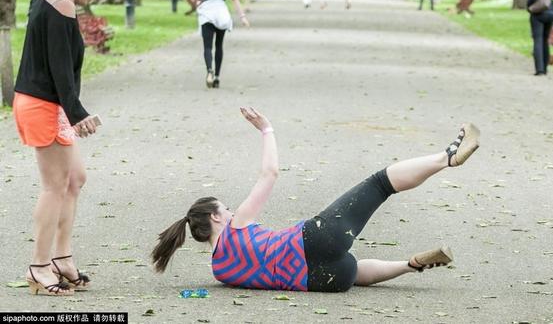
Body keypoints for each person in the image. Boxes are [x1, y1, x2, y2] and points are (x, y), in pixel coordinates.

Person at [152, 107, 481, 293]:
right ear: (215, 218)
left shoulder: (220, 270)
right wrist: (267, 130)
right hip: (315, 240)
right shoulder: (235, 227)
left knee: (354, 269)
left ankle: (410, 266)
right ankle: (447, 157)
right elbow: (270, 173)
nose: (232, 210)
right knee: (380, 183)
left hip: (325, 281)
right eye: (225, 209)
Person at [13, 0, 112, 296]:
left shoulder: (61, 3)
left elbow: (62, 72)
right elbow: (59, 69)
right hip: (39, 103)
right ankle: (39, 266)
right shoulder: (60, 4)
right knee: (55, 185)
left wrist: (73, 111)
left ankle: (62, 258)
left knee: (75, 178)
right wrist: (77, 114)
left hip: (50, 103)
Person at [190, 0, 250, 88]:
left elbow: (194, 0)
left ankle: (209, 71)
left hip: (207, 13)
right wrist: (243, 17)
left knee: (207, 46)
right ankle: (217, 76)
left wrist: (198, 2)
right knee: (219, 46)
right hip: (221, 12)